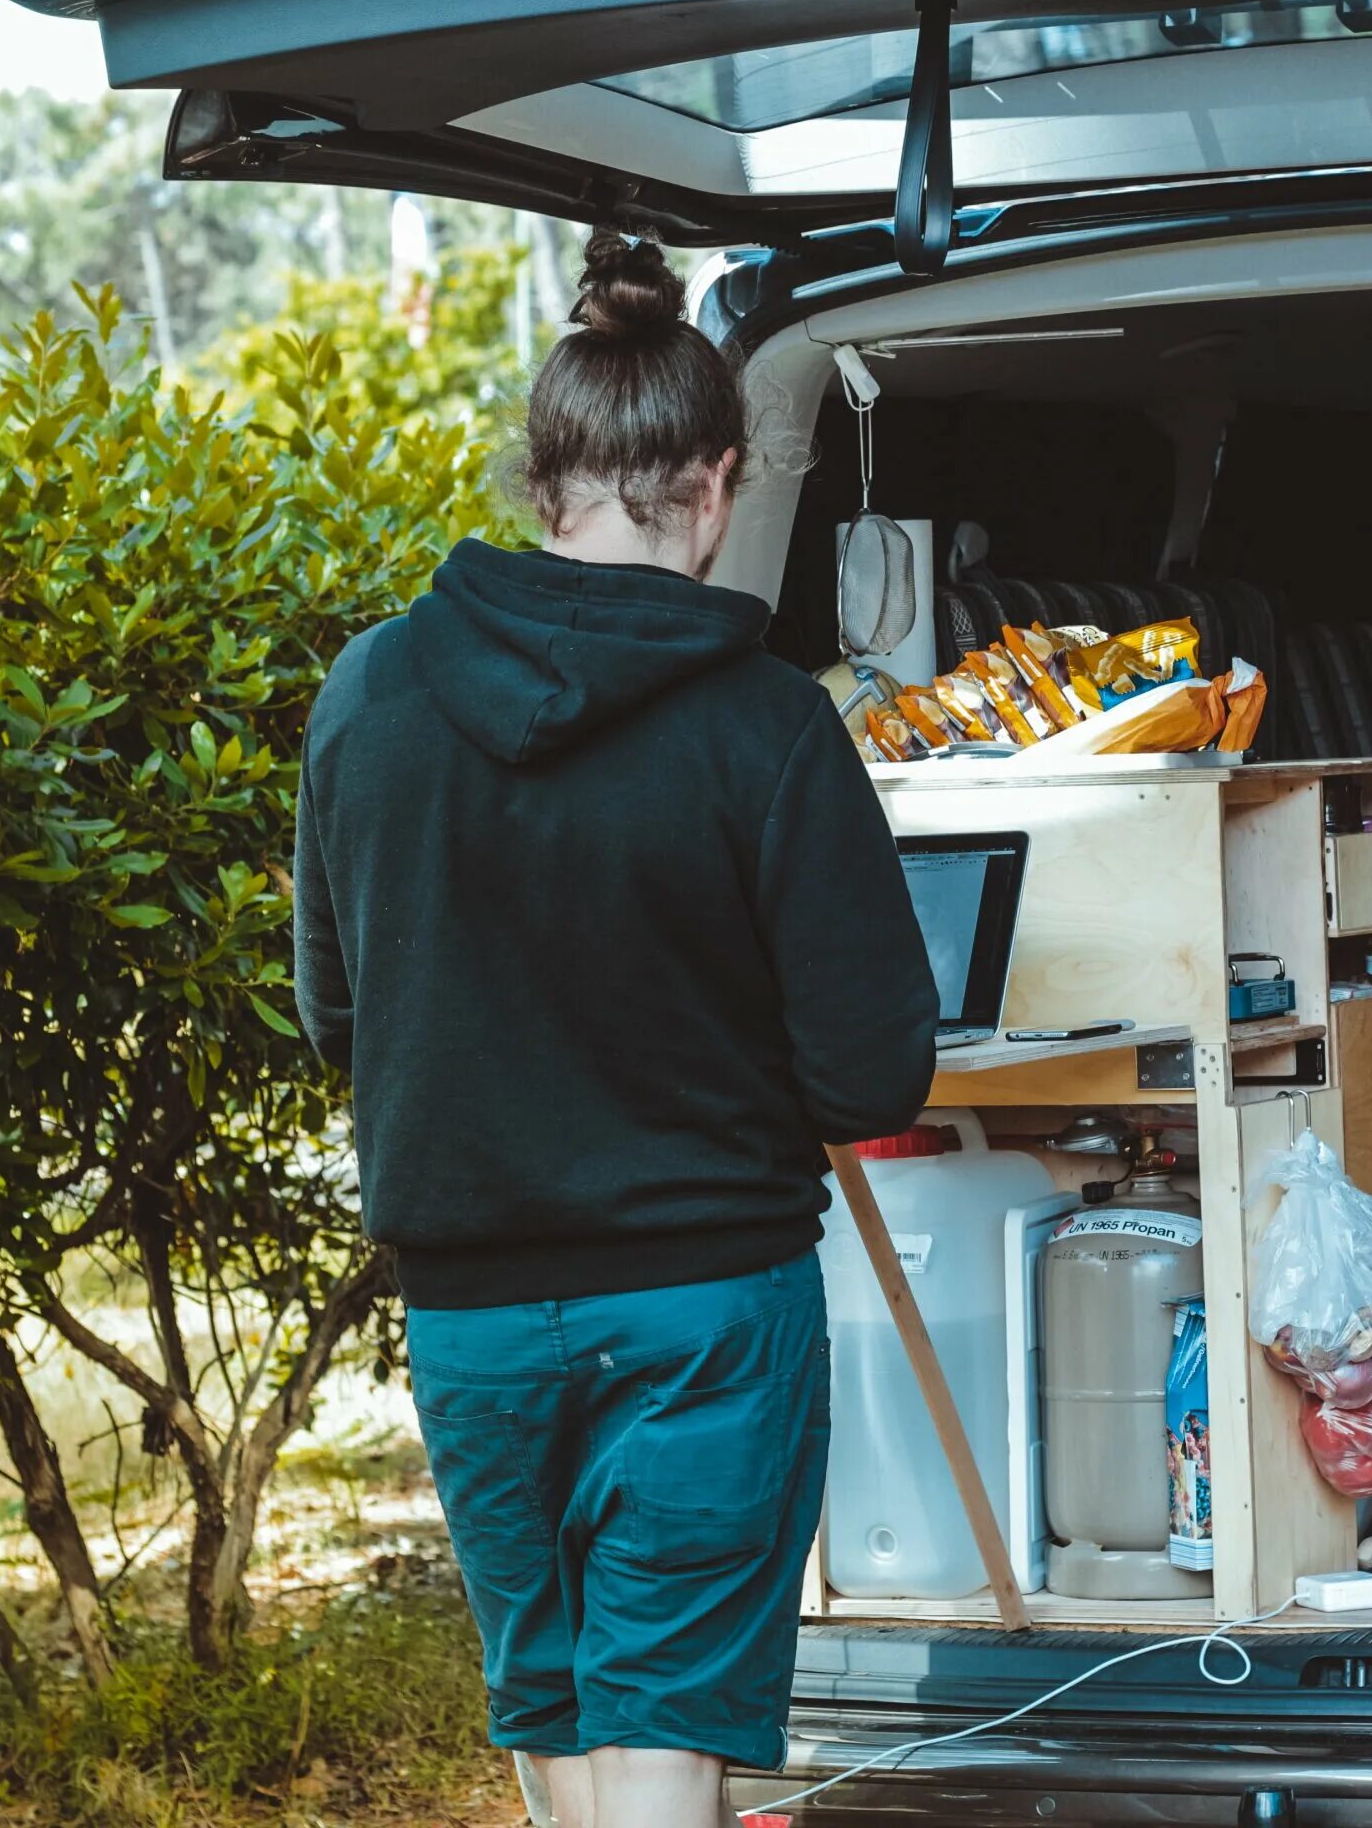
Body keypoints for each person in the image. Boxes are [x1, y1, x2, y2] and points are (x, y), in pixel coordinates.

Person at [292, 232, 938, 1828]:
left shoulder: (369, 696)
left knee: (566, 1711)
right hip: (706, 1309)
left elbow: (334, 1015)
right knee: (659, 1724)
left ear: (541, 478)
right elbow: (871, 1074)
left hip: (471, 1319)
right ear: (715, 487)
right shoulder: (767, 724)